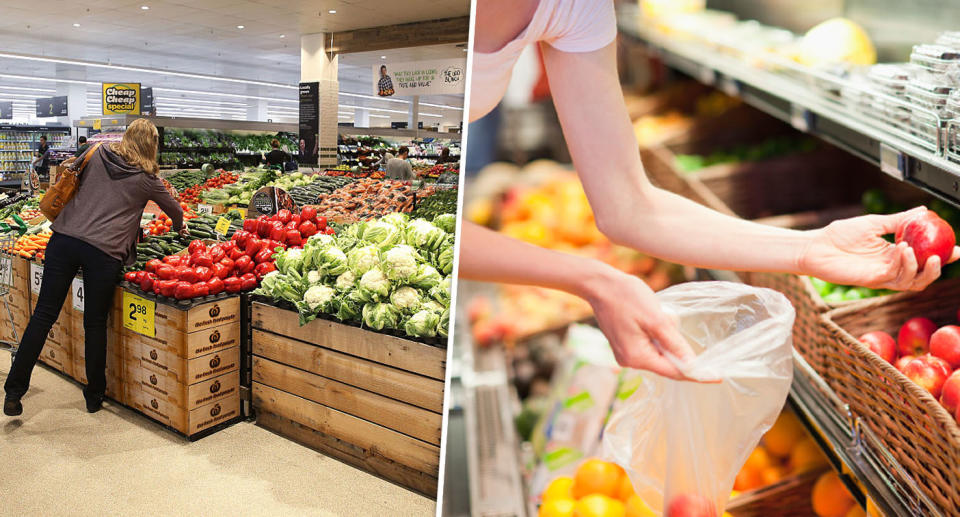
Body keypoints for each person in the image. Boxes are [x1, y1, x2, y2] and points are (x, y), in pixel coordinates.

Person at [460, 0, 960, 380]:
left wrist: (810, 249)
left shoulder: (579, 7)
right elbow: (385, 206)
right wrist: (595, 280)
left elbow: (629, 206)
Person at [3, 118, 186, 417]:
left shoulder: (97, 153)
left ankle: (14, 390)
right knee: (94, 323)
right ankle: (93, 395)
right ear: (152, 146)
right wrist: (180, 228)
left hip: (63, 240)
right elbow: (175, 211)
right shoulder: (147, 178)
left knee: (43, 316)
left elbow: (70, 169)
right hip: (104, 253)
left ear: (126, 137)